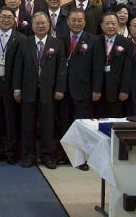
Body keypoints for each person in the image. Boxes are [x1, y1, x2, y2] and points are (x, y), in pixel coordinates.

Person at [13, 12, 66, 169]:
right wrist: (17, 88)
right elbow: (18, 67)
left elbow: (61, 69)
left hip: (49, 92)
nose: (40, 26)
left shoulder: (57, 43)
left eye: (43, 23)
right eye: (37, 23)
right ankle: (29, 155)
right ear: (32, 25)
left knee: (47, 126)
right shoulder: (24, 42)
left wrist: (60, 88)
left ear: (49, 25)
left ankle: (47, 156)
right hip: (28, 90)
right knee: (27, 125)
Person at [58, 8, 103, 166]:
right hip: (64, 90)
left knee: (84, 125)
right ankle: (66, 156)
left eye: (80, 20)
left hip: (85, 90)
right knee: (64, 123)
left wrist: (96, 89)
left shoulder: (93, 40)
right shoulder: (60, 39)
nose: (76, 23)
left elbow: (97, 67)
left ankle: (83, 159)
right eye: (73, 20)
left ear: (85, 21)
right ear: (68, 21)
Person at [0, 6, 25, 165]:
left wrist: (17, 87)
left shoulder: (21, 39)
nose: (6, 20)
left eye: (9, 17)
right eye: (3, 16)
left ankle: (11, 152)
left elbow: (21, 66)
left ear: (14, 20)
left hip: (11, 84)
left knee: (11, 120)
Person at [97, 12, 133, 118]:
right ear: (102, 25)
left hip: (117, 90)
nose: (110, 26)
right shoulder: (95, 41)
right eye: (107, 23)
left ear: (118, 24)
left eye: (113, 23)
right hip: (98, 89)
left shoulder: (127, 43)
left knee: (115, 119)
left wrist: (124, 90)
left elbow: (128, 69)